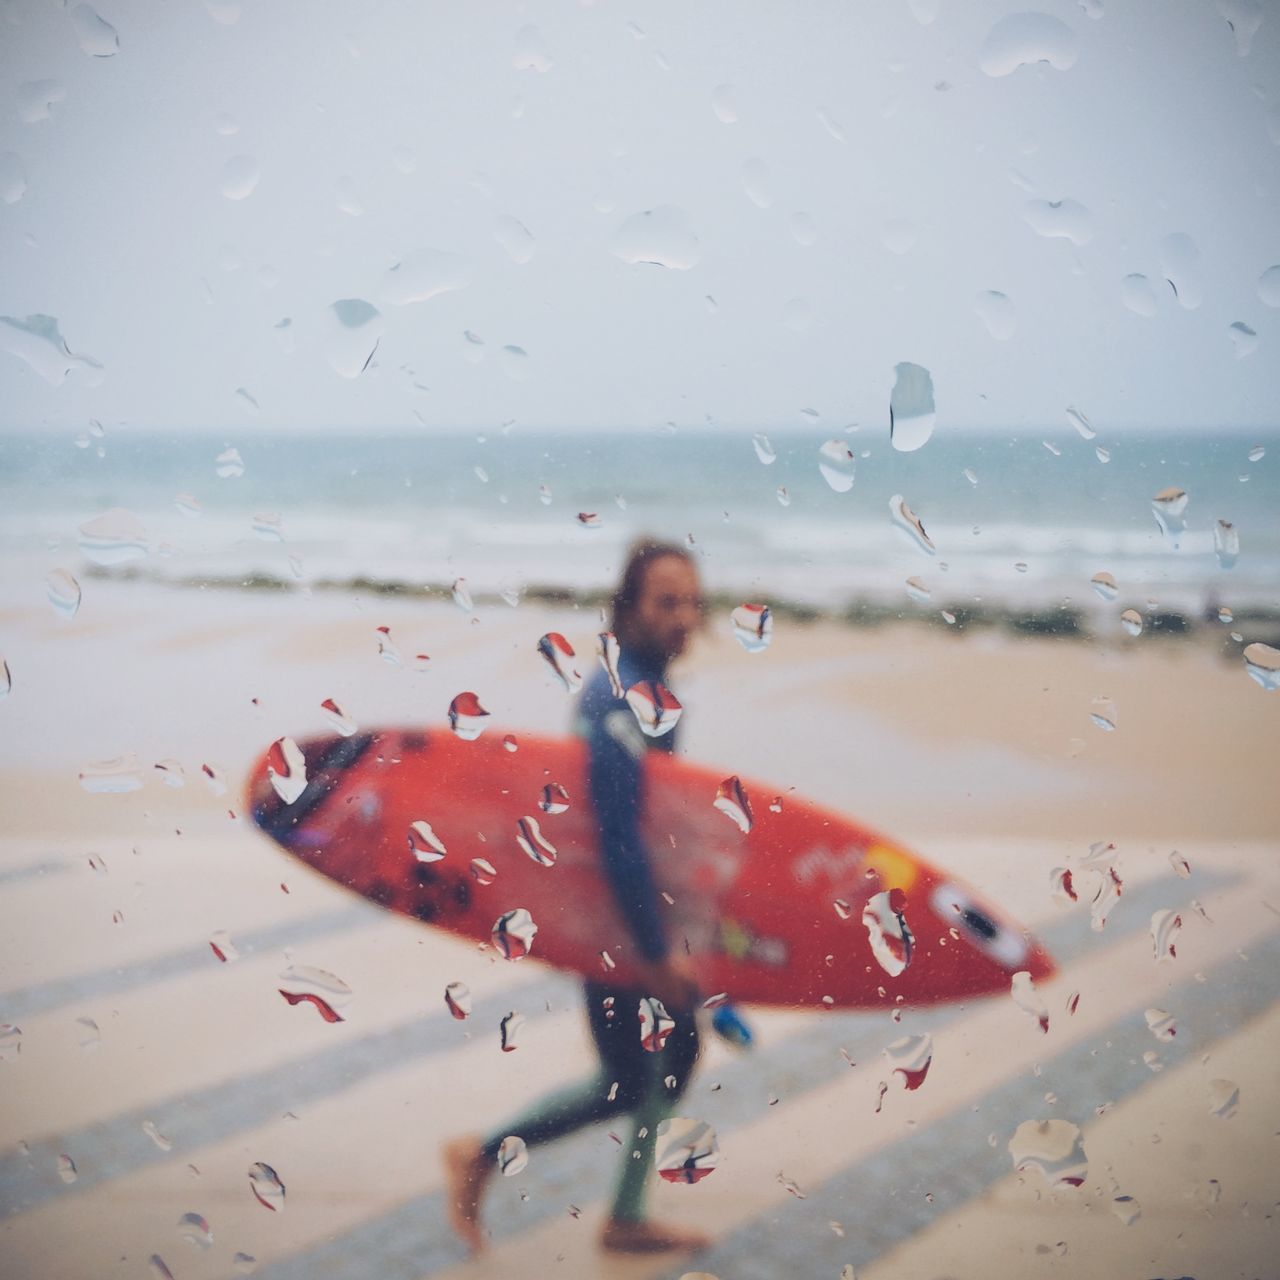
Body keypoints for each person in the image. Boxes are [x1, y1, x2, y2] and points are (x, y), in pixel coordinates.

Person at [445, 539, 713, 1256]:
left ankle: (527, 1171)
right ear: (628, 608)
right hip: (613, 922)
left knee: (646, 1071)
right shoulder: (621, 698)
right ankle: (499, 1159)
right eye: (665, 601)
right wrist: (654, 952)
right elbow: (618, 837)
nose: (683, 616)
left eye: (691, 600)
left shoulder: (645, 689)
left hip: (622, 918)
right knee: (647, 1068)